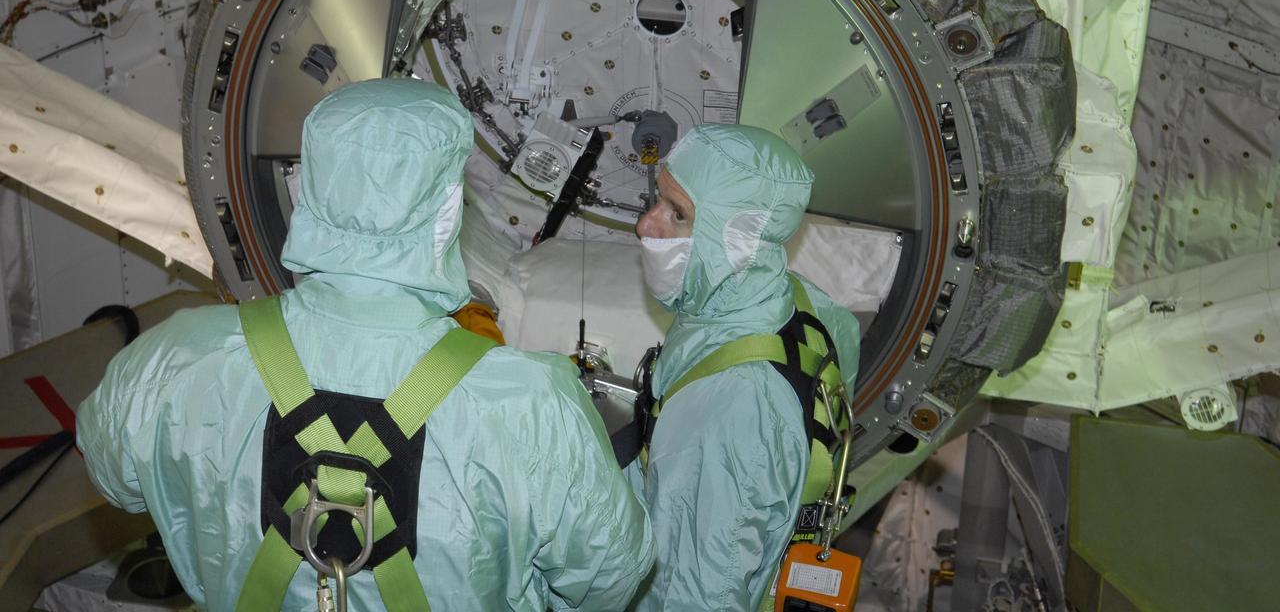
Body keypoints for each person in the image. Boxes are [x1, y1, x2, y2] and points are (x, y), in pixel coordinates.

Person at [78, 79, 654, 612]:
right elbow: (607, 579)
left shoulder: (173, 358)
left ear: (306, 192)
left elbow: (116, 479)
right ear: (449, 210)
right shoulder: (533, 401)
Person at [627, 124, 860, 611]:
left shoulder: (727, 416)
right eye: (657, 201)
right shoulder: (807, 304)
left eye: (678, 215)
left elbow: (700, 596)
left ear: (734, 238)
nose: (646, 226)